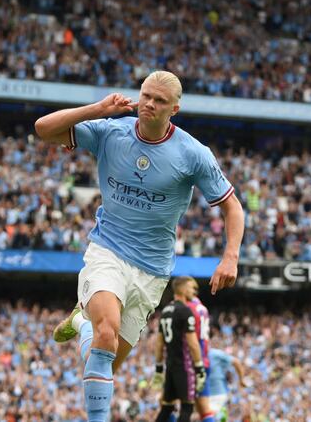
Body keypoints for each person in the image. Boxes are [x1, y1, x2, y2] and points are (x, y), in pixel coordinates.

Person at [35, 70, 245, 421]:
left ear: (173, 109)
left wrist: (230, 256)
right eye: (146, 95)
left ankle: (82, 323)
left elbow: (231, 206)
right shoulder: (110, 130)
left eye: (159, 100)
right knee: (107, 333)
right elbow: (43, 128)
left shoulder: (193, 154)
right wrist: (97, 109)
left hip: (153, 270)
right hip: (108, 250)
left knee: (103, 358)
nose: (149, 103)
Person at [152, 276, 207, 422]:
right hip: (184, 366)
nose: (194, 291)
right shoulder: (185, 311)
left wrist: (158, 368)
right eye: (191, 288)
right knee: (187, 407)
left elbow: (159, 343)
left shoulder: (165, 311)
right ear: (182, 289)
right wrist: (200, 368)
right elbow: (193, 343)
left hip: (170, 366)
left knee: (167, 407)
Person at [186, 296, 213, 422]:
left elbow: (191, 339)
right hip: (205, 361)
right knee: (204, 410)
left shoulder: (189, 308)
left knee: (173, 403)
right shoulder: (204, 309)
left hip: (191, 362)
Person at [206, 348, 246, 421]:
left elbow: (236, 362)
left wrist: (241, 380)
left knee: (211, 416)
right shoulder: (195, 355)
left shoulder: (215, 353)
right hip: (205, 395)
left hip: (217, 395)